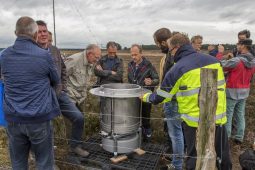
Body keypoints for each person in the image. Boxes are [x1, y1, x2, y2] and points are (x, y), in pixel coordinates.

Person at [142, 33, 232, 170]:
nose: (171, 54)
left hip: (194, 124)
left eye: (171, 51)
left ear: (176, 48)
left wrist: (145, 96)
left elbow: (161, 96)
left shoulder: (178, 69)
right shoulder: (214, 61)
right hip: (218, 120)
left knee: (194, 160)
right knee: (222, 157)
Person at [1, 16, 60, 170]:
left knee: (18, 163)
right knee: (44, 162)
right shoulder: (44, 55)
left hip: (13, 119)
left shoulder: (4, 55)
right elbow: (56, 80)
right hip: (39, 119)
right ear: (35, 35)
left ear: (15, 33)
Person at [36, 20, 89, 157]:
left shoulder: (54, 50)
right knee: (46, 127)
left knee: (78, 117)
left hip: (59, 94)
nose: (43, 34)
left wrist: (63, 87)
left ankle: (75, 146)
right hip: (40, 97)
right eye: (39, 32)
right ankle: (44, 155)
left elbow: (63, 70)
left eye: (45, 31)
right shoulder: (31, 51)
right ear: (33, 34)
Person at [153, 28, 184, 170]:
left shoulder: (172, 58)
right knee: (177, 133)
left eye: (158, 44)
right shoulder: (171, 56)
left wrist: (156, 98)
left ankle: (177, 165)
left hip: (173, 101)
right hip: (173, 100)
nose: (157, 47)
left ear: (164, 42)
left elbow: (169, 84)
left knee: (176, 134)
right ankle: (177, 160)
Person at [221, 38, 255, 144]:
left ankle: (226, 137)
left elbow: (222, 65)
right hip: (244, 91)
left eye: (238, 44)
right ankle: (239, 137)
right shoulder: (253, 61)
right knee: (240, 114)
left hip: (232, 91)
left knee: (228, 115)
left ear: (243, 46)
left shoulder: (237, 61)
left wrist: (224, 58)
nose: (237, 46)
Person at [127, 44, 159, 141]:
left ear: (141, 53)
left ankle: (147, 137)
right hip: (134, 96)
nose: (134, 57)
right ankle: (136, 137)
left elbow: (157, 79)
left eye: (136, 55)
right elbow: (129, 79)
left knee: (145, 117)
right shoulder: (130, 65)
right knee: (134, 116)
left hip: (145, 96)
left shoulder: (148, 65)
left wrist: (151, 82)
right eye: (132, 55)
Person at [65, 44, 101, 112]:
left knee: (81, 119)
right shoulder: (74, 60)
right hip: (69, 97)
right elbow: (60, 76)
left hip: (81, 98)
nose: (97, 60)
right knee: (72, 120)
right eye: (96, 57)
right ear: (89, 54)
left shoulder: (91, 62)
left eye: (98, 58)